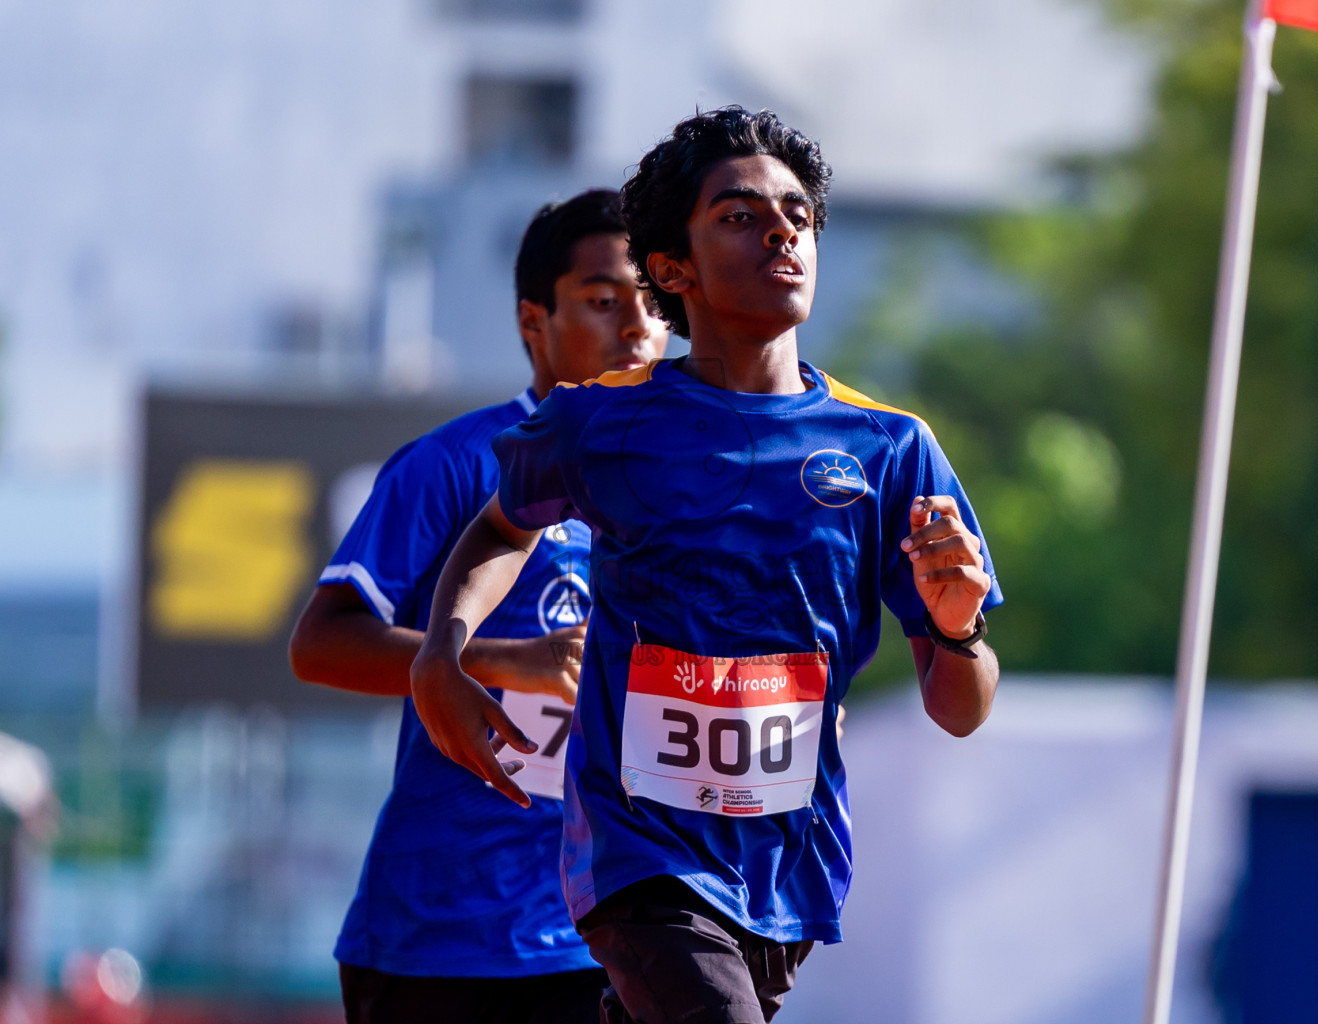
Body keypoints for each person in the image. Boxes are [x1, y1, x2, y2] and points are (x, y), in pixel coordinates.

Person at [410, 108, 1003, 1024]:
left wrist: (958, 623)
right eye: (739, 213)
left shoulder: (891, 450)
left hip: (789, 869)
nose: (780, 229)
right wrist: (440, 652)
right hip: (634, 850)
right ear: (672, 269)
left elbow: (958, 707)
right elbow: (500, 530)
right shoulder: (599, 422)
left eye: (798, 214)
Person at [288, 188, 669, 1024]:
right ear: (534, 320)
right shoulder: (456, 463)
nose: (637, 327)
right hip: (444, 938)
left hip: (623, 930)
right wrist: (495, 660)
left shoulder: (691, 487)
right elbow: (319, 645)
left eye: (653, 303)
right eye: (604, 301)